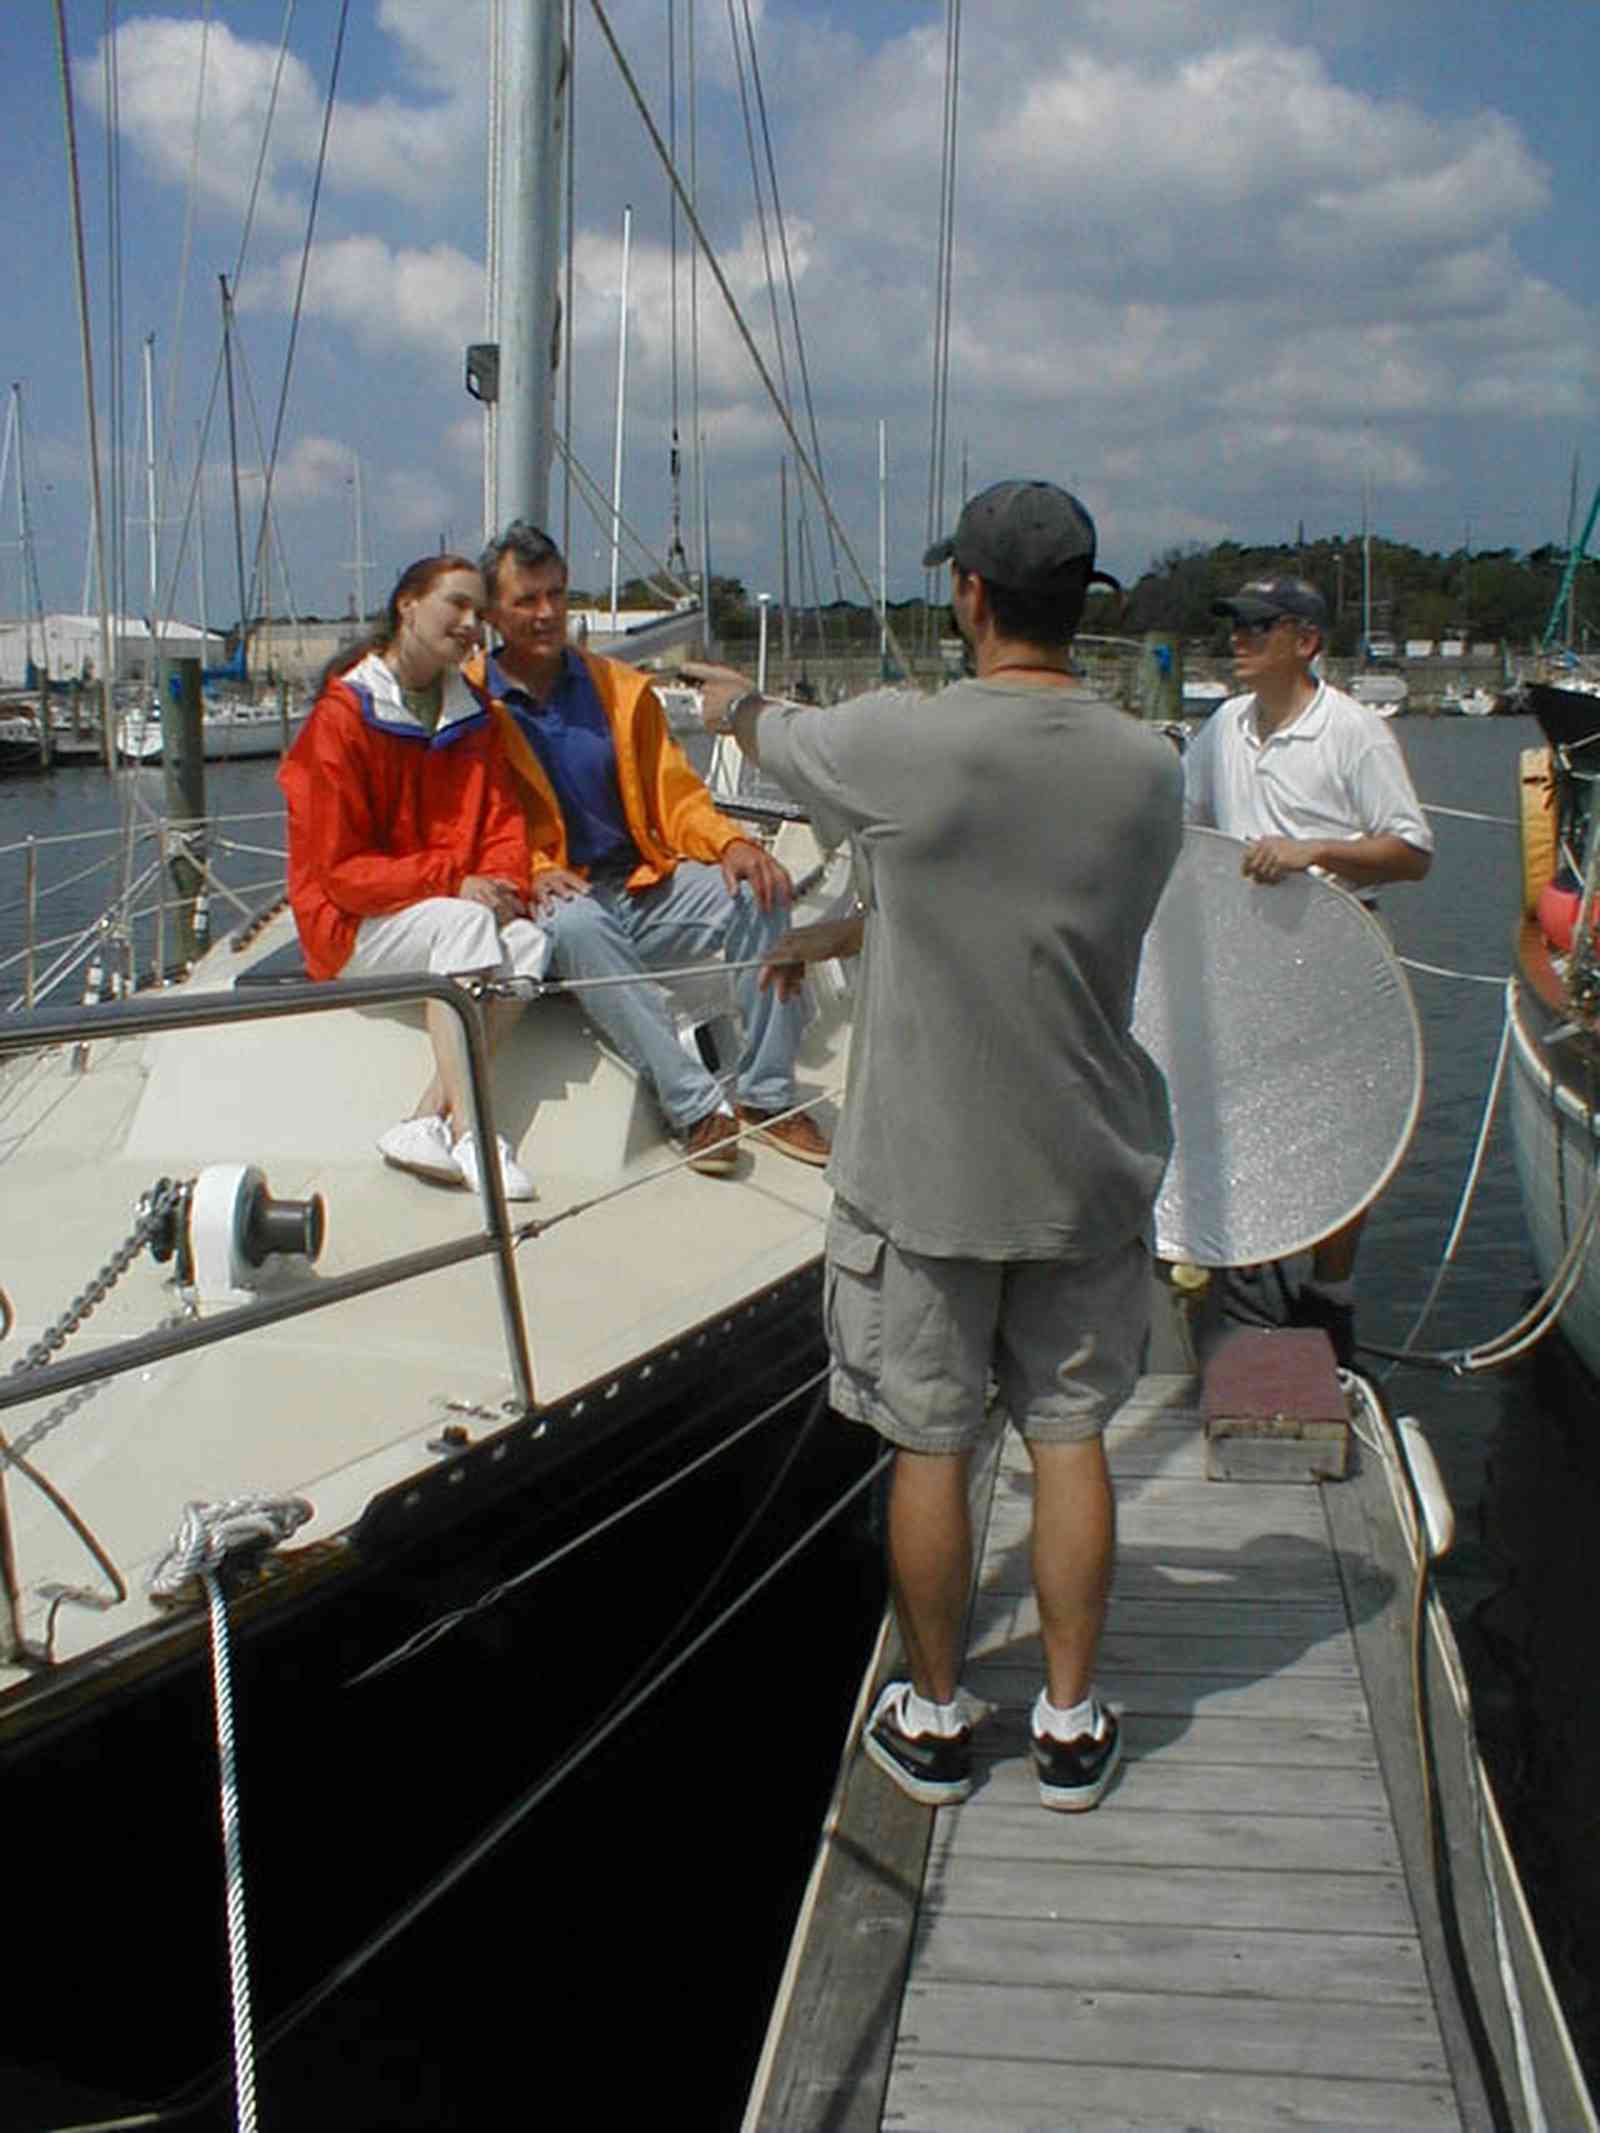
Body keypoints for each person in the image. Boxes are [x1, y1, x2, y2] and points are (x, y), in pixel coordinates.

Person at [687, 480, 1183, 1813]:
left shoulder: (904, 745)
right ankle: (1073, 1729)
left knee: (930, 1440)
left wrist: (729, 696)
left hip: (928, 1176)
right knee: (1072, 1433)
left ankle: (941, 1714)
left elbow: (768, 734)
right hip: (1084, 1164)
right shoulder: (1152, 769)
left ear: (969, 594)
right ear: (1082, 605)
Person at [465, 520, 828, 1175]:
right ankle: (693, 1107)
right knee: (577, 923)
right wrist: (533, 869)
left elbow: (676, 796)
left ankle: (768, 1097)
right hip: (545, 894)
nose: (546, 613)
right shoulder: (468, 704)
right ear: (492, 612)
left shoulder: (618, 690)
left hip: (639, 884)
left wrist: (731, 844)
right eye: (526, 599)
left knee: (761, 888)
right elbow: (465, 820)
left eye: (555, 594)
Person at [1182, 575, 1434, 1364]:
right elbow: (1185, 824)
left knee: (1342, 1128)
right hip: (1246, 962)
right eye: (1236, 626)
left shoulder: (1352, 733)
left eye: (1260, 626)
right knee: (1237, 1108)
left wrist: (1314, 849)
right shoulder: (1222, 727)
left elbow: (1412, 849)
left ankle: (1331, 1296)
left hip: (1334, 954)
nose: (1240, 640)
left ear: (1307, 641)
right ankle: (1243, 1258)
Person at [279, 555, 547, 1200]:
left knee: (533, 943)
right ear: (407, 605)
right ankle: (477, 1134)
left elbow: (504, 822)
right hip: (350, 924)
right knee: (464, 921)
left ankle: (428, 1118)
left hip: (426, 912)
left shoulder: (474, 715)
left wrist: (506, 886)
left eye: (478, 613)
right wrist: (456, 882)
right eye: (455, 605)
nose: (469, 624)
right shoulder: (343, 718)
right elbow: (339, 873)